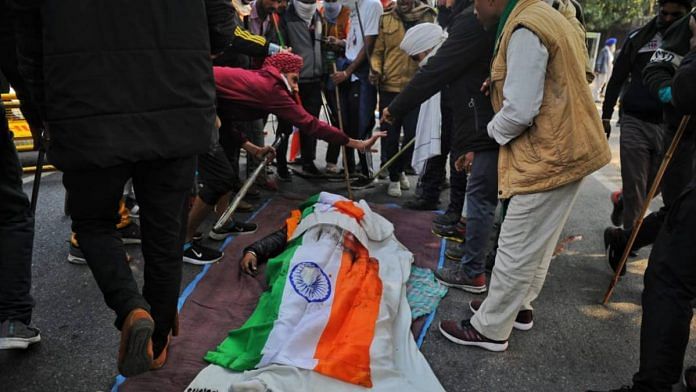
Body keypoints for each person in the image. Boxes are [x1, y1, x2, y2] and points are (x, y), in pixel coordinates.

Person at [12, 0, 277, 376]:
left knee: (92, 222)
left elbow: (25, 41)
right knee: (166, 226)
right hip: (176, 100)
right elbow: (221, 26)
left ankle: (131, 307)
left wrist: (40, 111)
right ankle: (159, 335)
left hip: (85, 104)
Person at [438, 0, 610, 352]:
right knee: (538, 244)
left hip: (549, 154)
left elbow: (519, 111)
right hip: (568, 148)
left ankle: (490, 328)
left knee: (516, 245)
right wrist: (501, 84)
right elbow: (547, 79)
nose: (473, 10)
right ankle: (518, 307)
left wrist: (484, 137)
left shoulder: (526, 26)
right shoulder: (546, 16)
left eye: (474, 4)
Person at [588, 19, 696, 392]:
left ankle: (625, 240)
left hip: (680, 135)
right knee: (664, 212)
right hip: (669, 131)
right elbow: (654, 69)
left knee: (671, 272)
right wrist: (668, 89)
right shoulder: (665, 30)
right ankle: (625, 237)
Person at [383, 0, 497, 295]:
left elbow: (435, 78)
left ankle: (475, 270)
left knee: (482, 198)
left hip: (485, 130)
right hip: (477, 128)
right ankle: (481, 254)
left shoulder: (468, 26)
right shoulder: (471, 22)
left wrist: (394, 108)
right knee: (480, 196)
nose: (475, 12)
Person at [604, 5, 696, 276]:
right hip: (645, 121)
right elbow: (621, 77)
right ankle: (631, 243)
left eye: (674, 15)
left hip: (666, 126)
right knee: (640, 188)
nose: (667, 19)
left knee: (652, 191)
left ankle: (625, 233)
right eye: (663, 13)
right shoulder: (642, 38)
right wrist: (605, 116)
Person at [370, 0, 436, 197]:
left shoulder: (427, 16)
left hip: (416, 88)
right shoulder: (386, 18)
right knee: (389, 136)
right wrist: (376, 68)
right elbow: (377, 52)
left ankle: (398, 169)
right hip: (389, 87)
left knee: (412, 136)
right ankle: (393, 177)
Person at [329, 0, 384, 180]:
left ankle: (366, 173)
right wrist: (341, 43)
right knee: (345, 123)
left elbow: (369, 44)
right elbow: (356, 42)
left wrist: (347, 71)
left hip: (359, 75)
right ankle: (349, 168)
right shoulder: (354, 7)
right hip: (349, 70)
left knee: (362, 124)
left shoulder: (372, 5)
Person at [276, 0, 326, 177]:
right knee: (285, 124)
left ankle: (308, 160)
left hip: (314, 79)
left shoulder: (317, 15)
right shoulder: (286, 17)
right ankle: (281, 163)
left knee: (310, 123)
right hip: (292, 81)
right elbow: (281, 49)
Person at [321, 0, 352, 177]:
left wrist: (340, 43)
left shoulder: (348, 13)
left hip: (347, 70)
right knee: (336, 119)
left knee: (347, 121)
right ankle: (331, 160)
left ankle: (349, 163)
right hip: (328, 72)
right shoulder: (320, 13)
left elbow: (355, 43)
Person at [594, 37, 617, 102]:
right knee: (599, 84)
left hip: (607, 71)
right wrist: (598, 69)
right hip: (602, 70)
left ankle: (600, 96)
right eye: (614, 45)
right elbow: (599, 61)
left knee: (603, 84)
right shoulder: (604, 50)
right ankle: (596, 97)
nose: (614, 46)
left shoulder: (609, 52)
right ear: (611, 45)